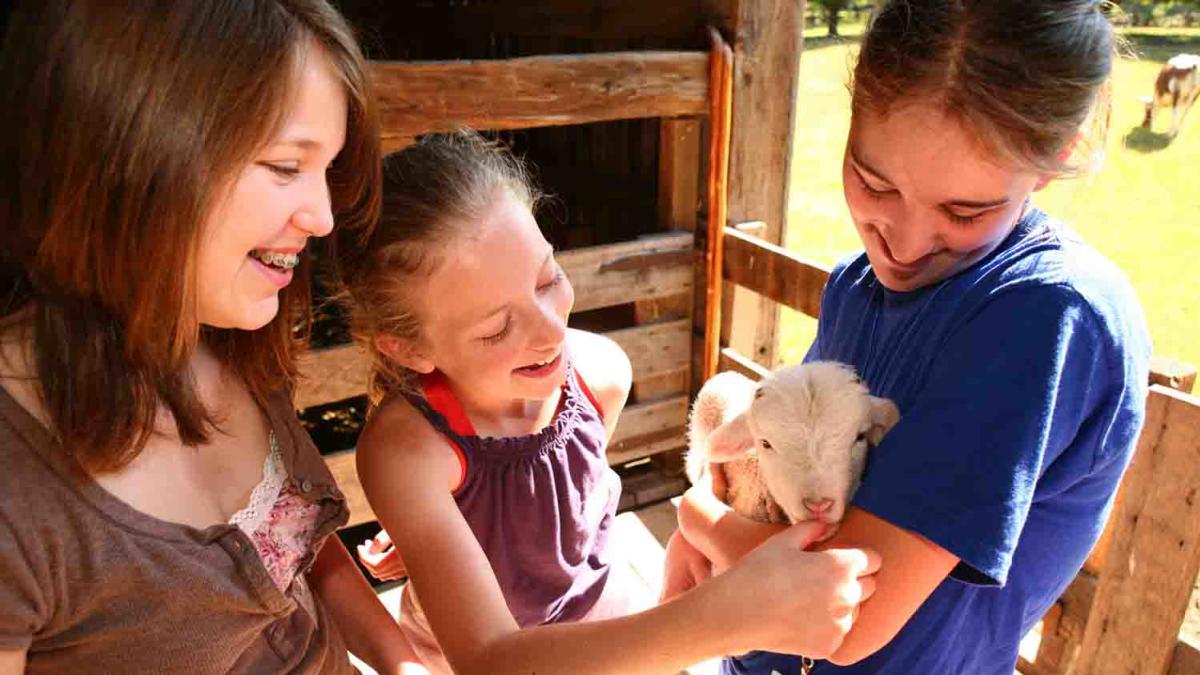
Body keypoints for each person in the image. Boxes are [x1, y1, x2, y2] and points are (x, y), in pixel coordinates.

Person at [666, 1, 1153, 673]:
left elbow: (839, 615)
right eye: (873, 181)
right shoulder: (855, 286)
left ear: (1054, 156)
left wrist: (693, 517)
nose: (903, 242)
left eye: (964, 210)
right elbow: (774, 483)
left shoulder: (1043, 318)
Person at [334, 130, 882, 675]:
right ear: (409, 347)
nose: (551, 332)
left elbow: (568, 506)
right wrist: (732, 616)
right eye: (498, 328)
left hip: (615, 629)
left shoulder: (601, 374)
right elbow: (486, 659)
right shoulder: (408, 452)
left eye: (548, 280)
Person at [0, 1, 428, 672]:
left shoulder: (232, 343)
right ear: (131, 152)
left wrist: (404, 665)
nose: (321, 216)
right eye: (287, 166)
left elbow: (300, 555)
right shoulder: (18, 490)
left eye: (327, 170)